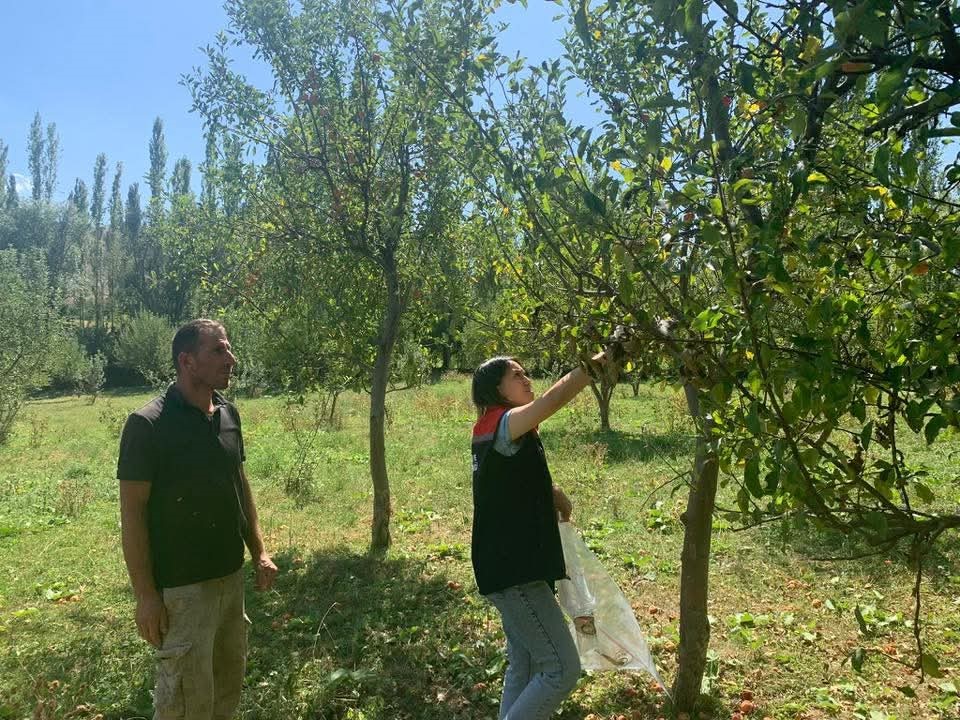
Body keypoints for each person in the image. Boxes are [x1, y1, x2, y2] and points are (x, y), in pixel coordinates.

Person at [117, 318, 277, 720]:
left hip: (230, 580)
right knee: (184, 706)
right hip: (183, 592)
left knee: (225, 693)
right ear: (187, 361)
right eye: (218, 350)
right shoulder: (148, 425)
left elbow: (239, 487)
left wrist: (258, 551)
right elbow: (132, 515)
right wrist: (146, 596)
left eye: (229, 347)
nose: (231, 358)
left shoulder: (228, 415)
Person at [471, 349, 616, 720]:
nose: (526, 379)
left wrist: (554, 496)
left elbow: (508, 481)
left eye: (525, 373)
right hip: (515, 571)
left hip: (506, 566)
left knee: (528, 664)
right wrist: (597, 363)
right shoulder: (504, 423)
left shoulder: (497, 431)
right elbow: (555, 399)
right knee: (561, 669)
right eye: (516, 375)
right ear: (496, 390)